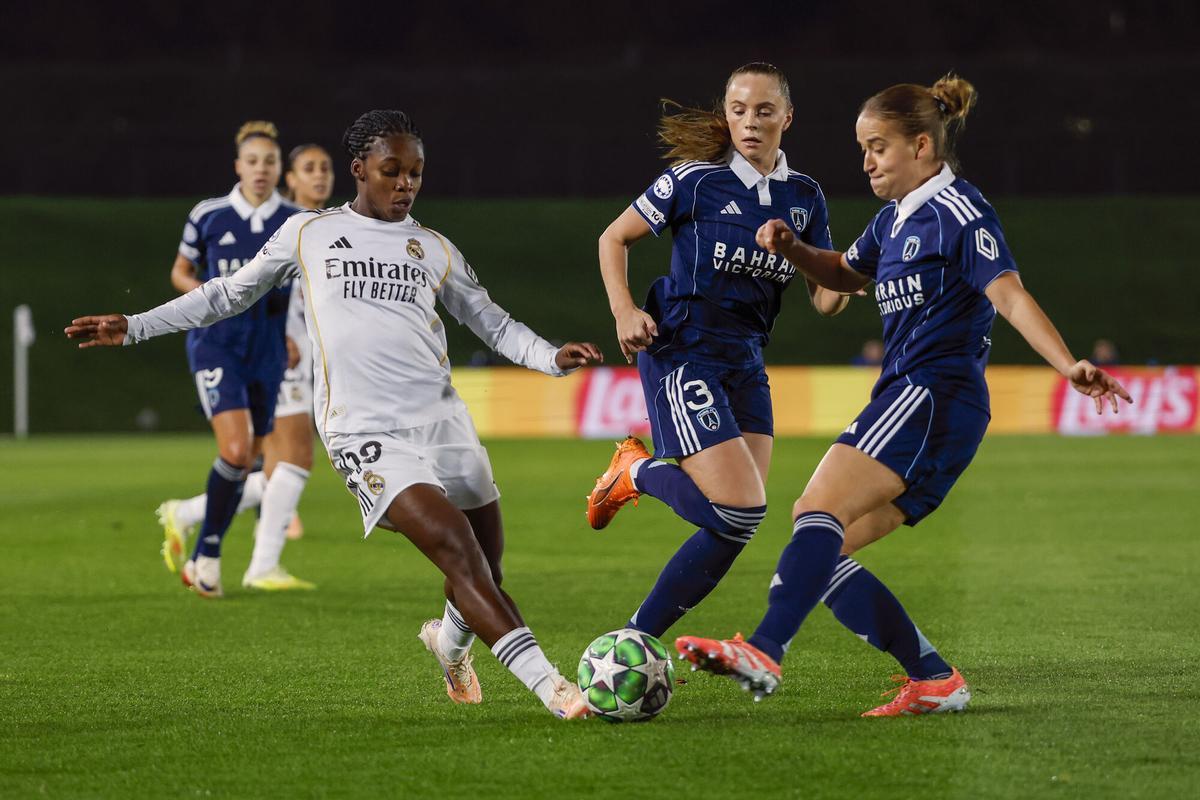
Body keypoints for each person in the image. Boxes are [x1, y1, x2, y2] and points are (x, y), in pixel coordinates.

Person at [67, 110, 601, 720]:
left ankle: (449, 645)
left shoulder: (433, 248)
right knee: (458, 551)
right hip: (365, 430)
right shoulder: (309, 232)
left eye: (416, 174)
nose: (406, 184)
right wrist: (134, 326)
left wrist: (552, 357)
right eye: (392, 171)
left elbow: (493, 322)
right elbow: (226, 293)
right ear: (359, 170)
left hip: (444, 422)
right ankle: (555, 690)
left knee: (485, 567)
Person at [674, 75, 1131, 716]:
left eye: (878, 148)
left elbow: (1008, 293)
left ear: (921, 145)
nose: (866, 162)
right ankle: (934, 678)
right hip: (927, 407)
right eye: (862, 149)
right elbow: (843, 274)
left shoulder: (960, 212)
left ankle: (765, 650)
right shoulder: (894, 219)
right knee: (821, 551)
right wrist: (793, 247)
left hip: (930, 395)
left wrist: (1067, 364)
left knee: (814, 511)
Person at [587, 63, 849, 639]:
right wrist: (624, 311)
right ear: (725, 114)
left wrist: (863, 270)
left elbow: (827, 299)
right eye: (737, 110)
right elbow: (614, 237)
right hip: (685, 350)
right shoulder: (694, 181)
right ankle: (638, 471)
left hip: (747, 360)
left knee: (736, 524)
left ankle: (635, 638)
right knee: (738, 509)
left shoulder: (805, 197)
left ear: (787, 116)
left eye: (762, 110)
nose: (749, 122)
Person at [158, 144, 335, 579]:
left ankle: (194, 518)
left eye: (325, 168)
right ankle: (256, 562)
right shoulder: (216, 215)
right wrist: (208, 303)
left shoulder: (309, 224)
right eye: (309, 168)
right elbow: (182, 270)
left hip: (278, 348)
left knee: (262, 457)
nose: (320, 177)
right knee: (283, 455)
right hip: (242, 345)